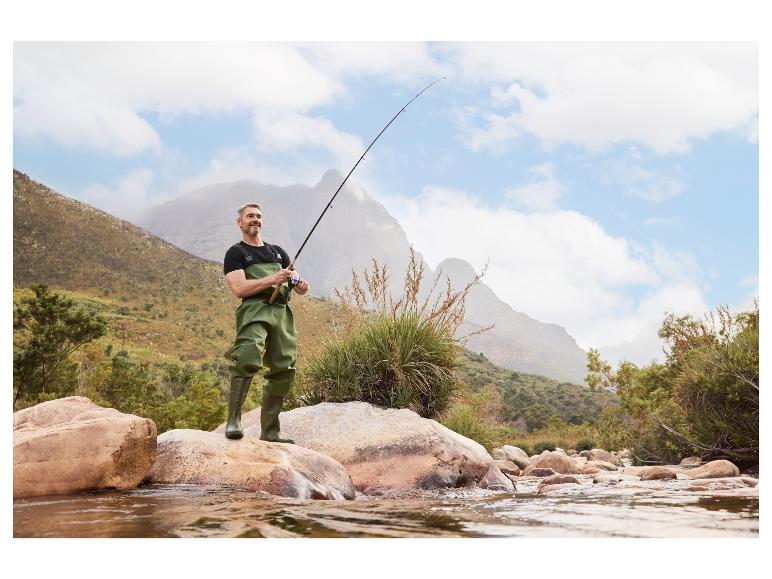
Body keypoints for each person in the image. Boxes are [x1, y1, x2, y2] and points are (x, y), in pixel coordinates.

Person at [222, 202, 309, 442]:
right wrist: (274, 277)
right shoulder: (236, 253)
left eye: (258, 216)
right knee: (248, 356)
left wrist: (299, 284)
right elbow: (239, 289)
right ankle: (233, 422)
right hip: (254, 309)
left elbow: (298, 286)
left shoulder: (278, 252)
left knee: (284, 368)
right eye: (250, 216)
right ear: (239, 222)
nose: (255, 220)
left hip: (281, 311)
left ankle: (270, 432)